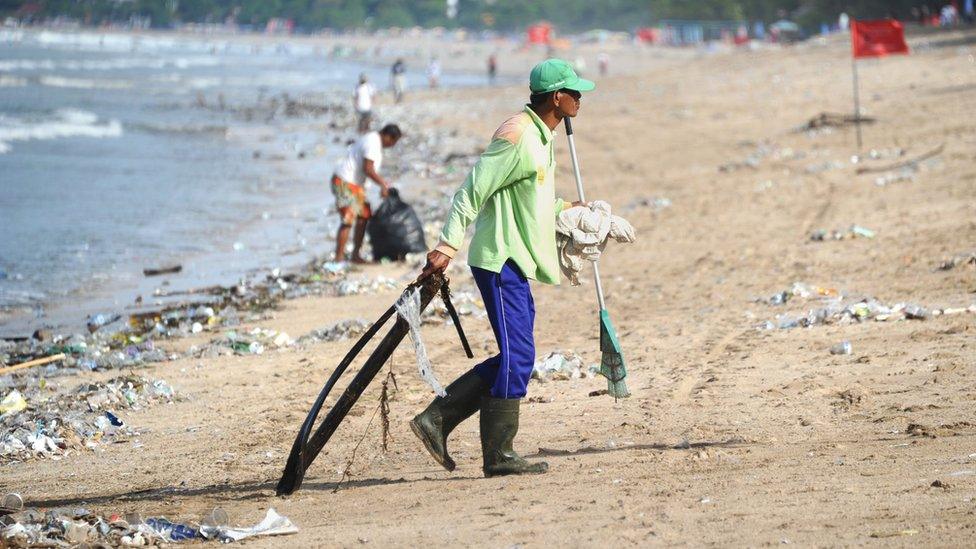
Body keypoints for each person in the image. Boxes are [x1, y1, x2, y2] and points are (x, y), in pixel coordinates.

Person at [411, 59, 594, 477]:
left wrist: (569, 209)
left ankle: (438, 421)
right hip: (498, 260)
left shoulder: (542, 137)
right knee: (520, 355)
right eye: (575, 93)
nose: (580, 99)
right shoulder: (517, 136)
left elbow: (533, 200)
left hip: (517, 259)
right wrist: (446, 244)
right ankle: (495, 453)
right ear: (556, 98)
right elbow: (472, 190)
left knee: (518, 355)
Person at [331, 124, 401, 263]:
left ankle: (355, 255)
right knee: (348, 220)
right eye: (393, 142)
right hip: (345, 182)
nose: (392, 145)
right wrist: (383, 184)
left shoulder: (374, 141)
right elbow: (368, 168)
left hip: (356, 185)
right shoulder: (372, 143)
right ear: (388, 136)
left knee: (364, 217)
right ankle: (338, 258)